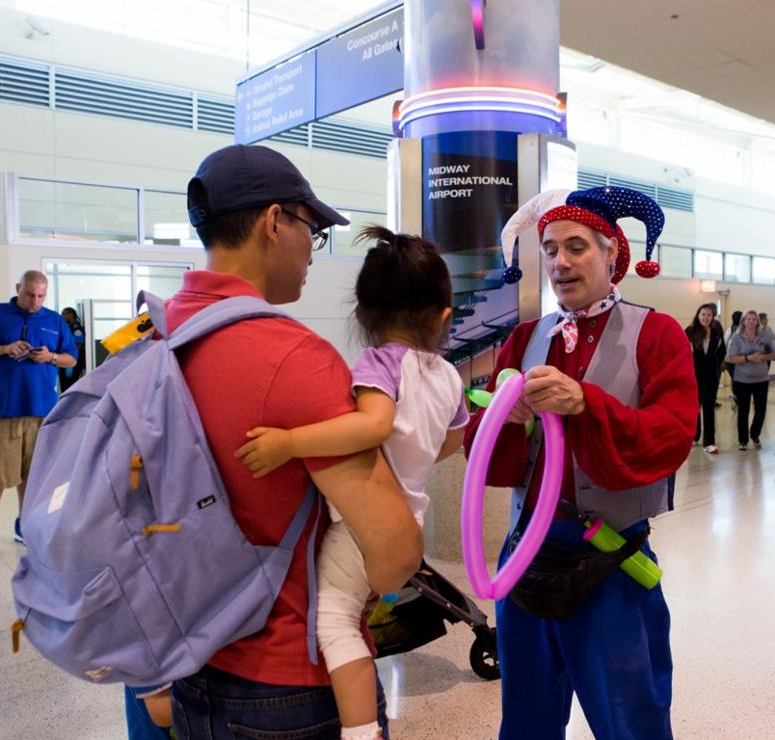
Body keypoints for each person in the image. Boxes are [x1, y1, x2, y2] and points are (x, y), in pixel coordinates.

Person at [164, 144, 422, 740]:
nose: (313, 248)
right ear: (273, 221)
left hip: (189, 663)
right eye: (313, 229)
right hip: (286, 683)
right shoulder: (292, 358)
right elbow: (392, 554)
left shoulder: (157, 333)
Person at [465, 186, 697, 740]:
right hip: (526, 549)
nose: (560, 262)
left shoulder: (656, 333)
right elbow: (485, 446)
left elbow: (673, 433)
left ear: (612, 254)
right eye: (548, 249)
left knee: (630, 718)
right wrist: (508, 413)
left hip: (610, 560)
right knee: (526, 715)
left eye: (576, 247)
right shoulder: (525, 338)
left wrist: (587, 403)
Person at [235, 226, 468, 740]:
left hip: (359, 526)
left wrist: (290, 443)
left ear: (363, 314)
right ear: (443, 316)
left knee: (335, 625)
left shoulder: (379, 363)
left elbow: (373, 424)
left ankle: (361, 731)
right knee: (355, 610)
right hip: (409, 519)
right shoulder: (449, 376)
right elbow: (452, 441)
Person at [0, 271, 77, 560]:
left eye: (41, 296)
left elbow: (71, 357)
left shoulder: (55, 321)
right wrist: (3, 349)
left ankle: (25, 525)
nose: (35, 301)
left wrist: (51, 357)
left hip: (43, 411)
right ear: (18, 288)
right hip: (3, 410)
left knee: (34, 474)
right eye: (30, 294)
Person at [727, 310, 775, 450]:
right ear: (744, 321)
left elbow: (773, 354)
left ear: (758, 322)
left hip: (761, 379)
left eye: (754, 319)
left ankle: (755, 435)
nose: (752, 321)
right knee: (743, 410)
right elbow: (733, 358)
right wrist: (748, 358)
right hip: (742, 380)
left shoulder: (765, 335)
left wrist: (764, 357)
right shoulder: (737, 337)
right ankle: (743, 440)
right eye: (749, 319)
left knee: (760, 410)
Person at [685, 303, 726, 453]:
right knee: (695, 407)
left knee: (709, 408)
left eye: (709, 315)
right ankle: (694, 437)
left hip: (711, 375)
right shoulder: (690, 331)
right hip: (693, 375)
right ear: (698, 315)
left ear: (713, 317)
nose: (705, 317)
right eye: (703, 314)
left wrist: (715, 365)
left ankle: (709, 442)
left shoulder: (716, 332)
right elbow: (682, 351)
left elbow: (722, 351)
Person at [59, 306, 86, 391]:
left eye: (64, 314)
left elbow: (78, 345)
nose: (62, 316)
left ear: (71, 314)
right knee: (64, 385)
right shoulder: (67, 326)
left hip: (73, 361)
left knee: (70, 385)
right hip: (65, 359)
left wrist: (72, 361)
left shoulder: (76, 328)